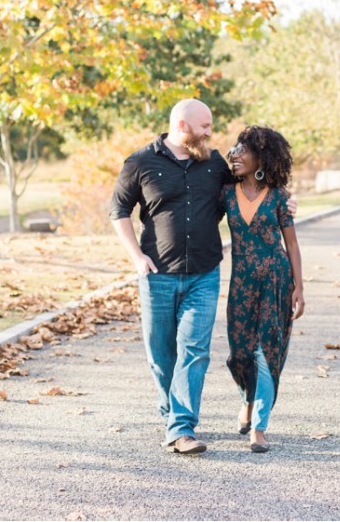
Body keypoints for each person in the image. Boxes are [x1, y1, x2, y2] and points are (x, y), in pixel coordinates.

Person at [108, 99, 295, 455]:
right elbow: (119, 210)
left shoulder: (213, 166)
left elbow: (256, 183)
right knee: (161, 355)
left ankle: (182, 428)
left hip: (204, 275)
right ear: (182, 124)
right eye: (205, 126)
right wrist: (136, 257)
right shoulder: (139, 162)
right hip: (157, 273)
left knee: (194, 350)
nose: (211, 133)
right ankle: (172, 415)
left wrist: (287, 198)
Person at [223, 126, 304, 453]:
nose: (236, 154)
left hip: (276, 280)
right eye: (235, 149)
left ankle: (259, 427)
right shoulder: (225, 192)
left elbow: (293, 244)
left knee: (267, 353)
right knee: (240, 354)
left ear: (262, 156)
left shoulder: (280, 198)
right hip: (241, 282)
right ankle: (246, 397)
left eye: (244, 149)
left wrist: (300, 287)